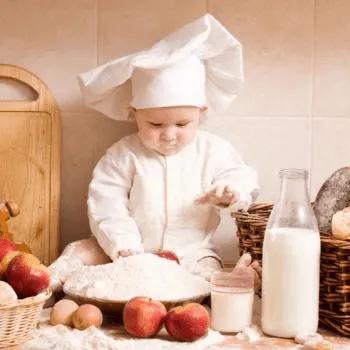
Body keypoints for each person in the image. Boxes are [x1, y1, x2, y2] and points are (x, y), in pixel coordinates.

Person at [49, 14, 260, 293]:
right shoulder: (123, 154)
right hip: (128, 253)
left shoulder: (213, 150)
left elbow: (243, 175)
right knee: (80, 251)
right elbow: (106, 201)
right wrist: (124, 246)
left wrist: (231, 191)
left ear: (201, 112)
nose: (169, 134)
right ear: (134, 114)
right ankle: (43, 285)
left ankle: (230, 283)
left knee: (206, 272)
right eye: (155, 124)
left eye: (183, 124)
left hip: (191, 253)